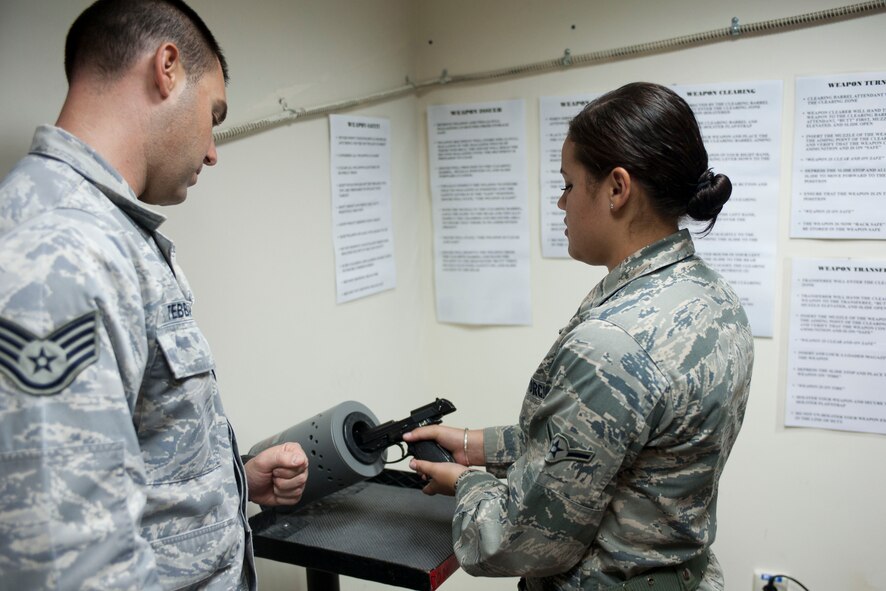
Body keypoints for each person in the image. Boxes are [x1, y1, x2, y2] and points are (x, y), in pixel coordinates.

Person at [0, 1, 308, 589]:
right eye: (213, 114)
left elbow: (119, 462)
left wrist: (232, 480)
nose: (213, 149)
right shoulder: (58, 249)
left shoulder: (109, 234)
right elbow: (69, 561)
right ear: (167, 67)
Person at [405, 82, 754, 591]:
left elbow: (515, 542)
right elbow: (609, 447)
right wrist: (470, 444)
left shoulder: (611, 343)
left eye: (568, 184)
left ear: (617, 188)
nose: (561, 201)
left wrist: (467, 484)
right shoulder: (713, 298)